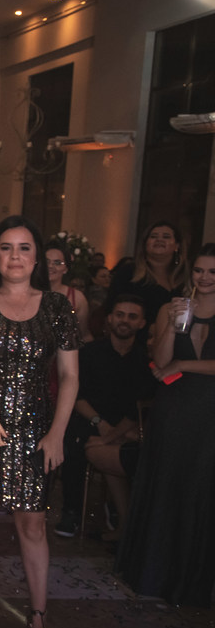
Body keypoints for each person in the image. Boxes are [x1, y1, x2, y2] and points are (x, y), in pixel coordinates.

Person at [0, 216, 79, 628]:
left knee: (33, 522)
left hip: (37, 430)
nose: (15, 256)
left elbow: (68, 377)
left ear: (37, 257)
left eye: (24, 248)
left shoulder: (57, 307)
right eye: (6, 247)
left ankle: (39, 617)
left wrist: (58, 433)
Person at [119, 245, 215, 606]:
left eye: (212, 272)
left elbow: (179, 366)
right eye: (199, 271)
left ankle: (194, 581)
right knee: (168, 484)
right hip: (174, 409)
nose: (204, 278)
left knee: (201, 488)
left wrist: (184, 366)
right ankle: (155, 576)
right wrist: (173, 325)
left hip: (209, 411)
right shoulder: (171, 308)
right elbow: (160, 362)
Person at [55, 296, 153, 541]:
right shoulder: (90, 353)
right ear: (110, 318)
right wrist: (102, 426)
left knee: (131, 447)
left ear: (141, 323)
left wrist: (115, 433)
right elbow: (77, 397)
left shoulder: (145, 361)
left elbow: (140, 406)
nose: (124, 321)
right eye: (120, 314)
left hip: (126, 427)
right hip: (90, 420)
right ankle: (71, 511)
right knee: (72, 445)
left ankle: (125, 516)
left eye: (132, 316)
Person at [108, 221, 187, 332]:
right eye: (153, 237)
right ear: (145, 244)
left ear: (177, 246)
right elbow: (111, 306)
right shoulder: (129, 272)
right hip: (133, 339)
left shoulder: (185, 276)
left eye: (166, 237)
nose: (159, 240)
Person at [46, 239, 93, 342]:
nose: (50, 266)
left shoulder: (77, 298)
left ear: (66, 268)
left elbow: (83, 335)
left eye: (57, 263)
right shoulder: (25, 292)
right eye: (46, 261)